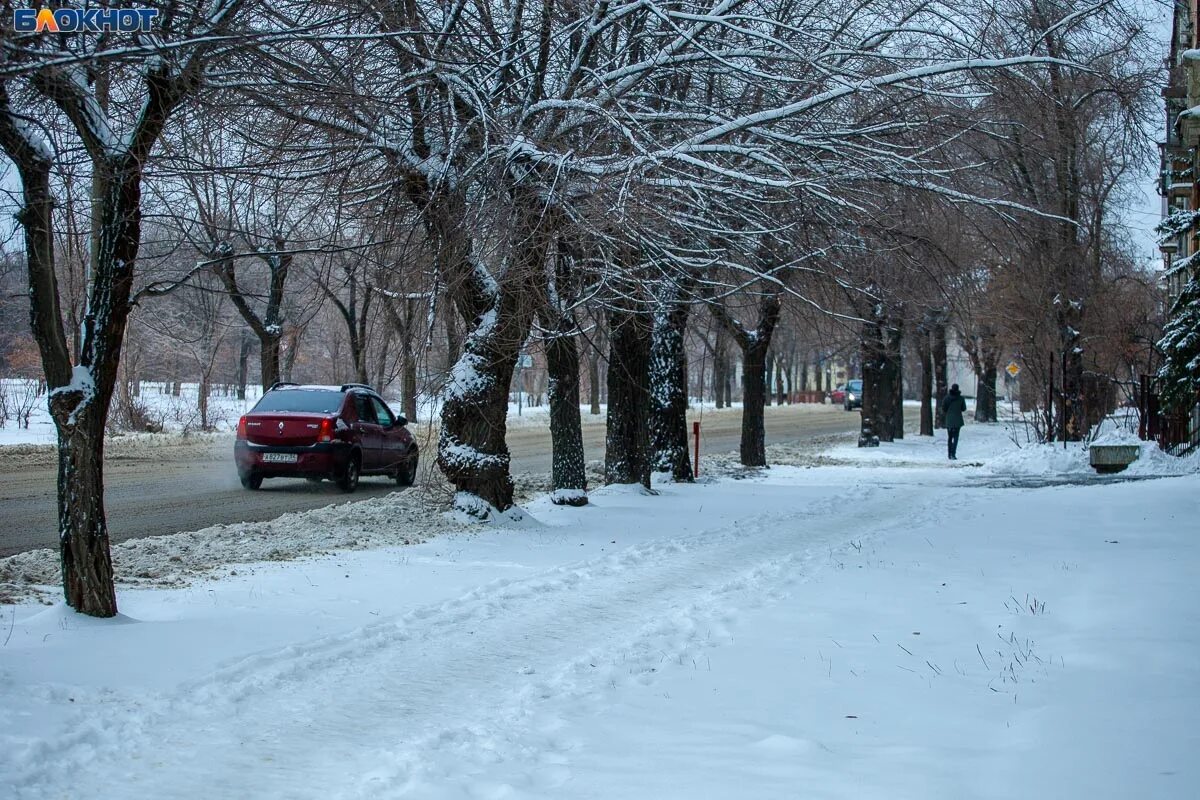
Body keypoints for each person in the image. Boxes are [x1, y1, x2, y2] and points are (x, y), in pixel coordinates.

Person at [943, 384, 967, 460]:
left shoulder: (946, 398)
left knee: (950, 437)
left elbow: (944, 408)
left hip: (949, 421)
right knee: (956, 437)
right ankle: (953, 454)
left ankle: (949, 453)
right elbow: (963, 408)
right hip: (958, 421)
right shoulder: (961, 398)